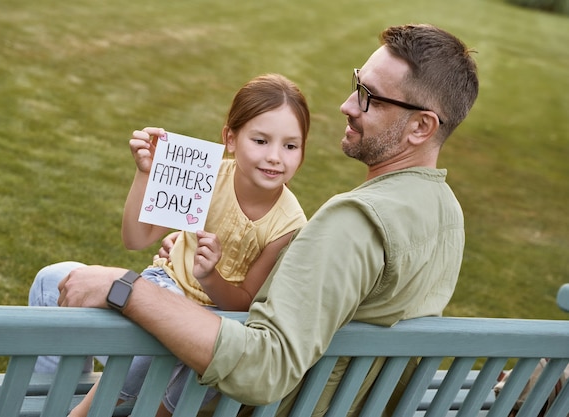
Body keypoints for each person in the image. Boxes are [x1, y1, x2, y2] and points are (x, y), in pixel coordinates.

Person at [57, 23, 479, 416]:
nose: (347, 105)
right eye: (356, 85)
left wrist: (126, 288)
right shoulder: (445, 212)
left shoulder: (354, 222)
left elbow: (265, 368)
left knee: (63, 287)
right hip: (353, 401)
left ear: (421, 126)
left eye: (369, 96)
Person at [29, 73, 310, 416]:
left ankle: (82, 412)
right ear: (231, 139)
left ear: (303, 150)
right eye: (261, 141)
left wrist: (209, 277)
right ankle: (46, 400)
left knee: (148, 347)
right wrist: (145, 175)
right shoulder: (207, 178)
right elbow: (137, 238)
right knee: (51, 279)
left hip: (213, 327)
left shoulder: (289, 224)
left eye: (290, 146)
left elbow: (245, 304)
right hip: (161, 287)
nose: (275, 157)